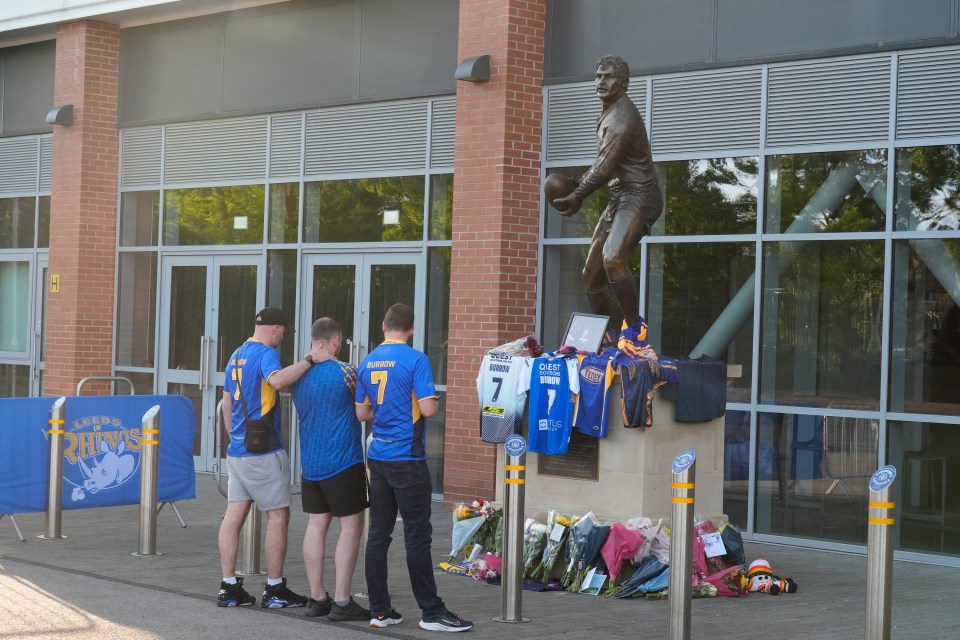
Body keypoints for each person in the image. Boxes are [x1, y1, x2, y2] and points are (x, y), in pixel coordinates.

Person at [355, 303, 473, 632]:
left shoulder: (367, 361)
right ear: (411, 330)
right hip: (407, 458)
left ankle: (380, 611)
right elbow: (428, 409)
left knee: (378, 534)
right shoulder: (416, 359)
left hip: (377, 457)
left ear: (383, 326)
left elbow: (362, 415)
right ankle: (431, 612)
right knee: (417, 536)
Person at [217, 306, 326, 609]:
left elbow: (226, 402)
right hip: (263, 450)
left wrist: (235, 437)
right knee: (278, 514)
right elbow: (277, 382)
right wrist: (308, 360)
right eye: (283, 332)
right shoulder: (266, 353)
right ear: (276, 328)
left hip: (238, 450)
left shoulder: (237, 354)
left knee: (234, 514)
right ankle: (274, 589)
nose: (282, 337)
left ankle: (228, 587)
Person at [552, 54, 663, 328]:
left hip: (640, 195)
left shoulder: (623, 117)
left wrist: (578, 194)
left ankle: (635, 332)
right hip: (619, 196)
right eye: (598, 75)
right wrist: (578, 185)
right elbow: (605, 164)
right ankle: (603, 336)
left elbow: (604, 166)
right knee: (591, 274)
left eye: (609, 76)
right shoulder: (607, 112)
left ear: (623, 83)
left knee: (613, 258)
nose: (601, 80)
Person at [290, 317, 371, 622]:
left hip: (311, 464)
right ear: (335, 341)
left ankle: (317, 598)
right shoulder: (347, 371)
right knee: (350, 527)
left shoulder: (296, 375)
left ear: (314, 341)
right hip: (344, 461)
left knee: (315, 527)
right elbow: (364, 408)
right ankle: (341, 601)